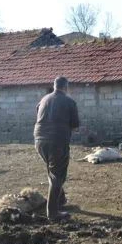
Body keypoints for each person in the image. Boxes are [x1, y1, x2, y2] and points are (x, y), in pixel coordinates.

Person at [34, 76, 79, 221]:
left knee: (53, 170)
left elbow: (38, 115)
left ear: (54, 86)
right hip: (57, 141)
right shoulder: (69, 101)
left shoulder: (44, 99)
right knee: (58, 175)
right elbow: (75, 125)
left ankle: (60, 199)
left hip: (39, 140)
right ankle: (52, 213)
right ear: (66, 87)